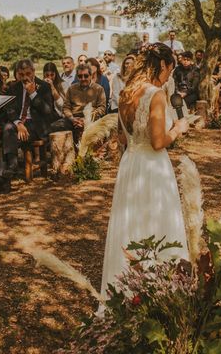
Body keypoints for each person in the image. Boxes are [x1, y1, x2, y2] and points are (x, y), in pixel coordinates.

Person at [100, 42, 190, 300]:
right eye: (169, 71)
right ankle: (157, 293)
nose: (169, 77)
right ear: (162, 65)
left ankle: (126, 292)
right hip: (152, 167)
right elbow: (158, 141)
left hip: (130, 164)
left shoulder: (126, 92)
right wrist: (179, 129)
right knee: (155, 223)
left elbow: (122, 138)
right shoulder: (156, 94)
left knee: (131, 225)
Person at [0, 59, 54, 195]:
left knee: (7, 130)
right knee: (8, 128)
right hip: (18, 125)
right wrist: (18, 123)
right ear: (17, 74)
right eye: (21, 74)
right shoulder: (14, 87)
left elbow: (48, 112)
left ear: (34, 72)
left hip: (36, 126)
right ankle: (10, 168)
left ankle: (1, 179)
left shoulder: (44, 86)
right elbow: (9, 109)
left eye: (28, 73)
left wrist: (33, 94)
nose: (25, 77)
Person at [53, 64, 107, 140]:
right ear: (77, 77)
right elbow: (66, 107)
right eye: (80, 76)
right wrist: (72, 119)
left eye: (86, 76)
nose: (83, 78)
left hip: (92, 118)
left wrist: (86, 119)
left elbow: (102, 108)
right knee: (55, 126)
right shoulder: (71, 89)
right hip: (74, 119)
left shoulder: (98, 89)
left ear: (91, 76)